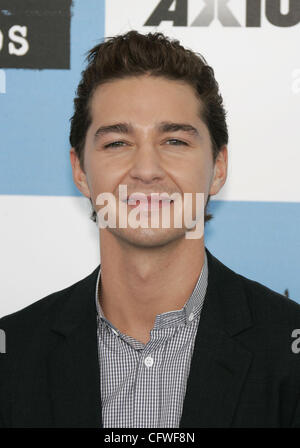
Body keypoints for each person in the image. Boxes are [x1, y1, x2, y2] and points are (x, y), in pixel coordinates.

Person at [0, 30, 300, 428]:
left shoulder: (288, 352)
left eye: (174, 140)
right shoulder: (13, 353)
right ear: (80, 171)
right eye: (117, 143)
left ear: (219, 167)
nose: (146, 170)